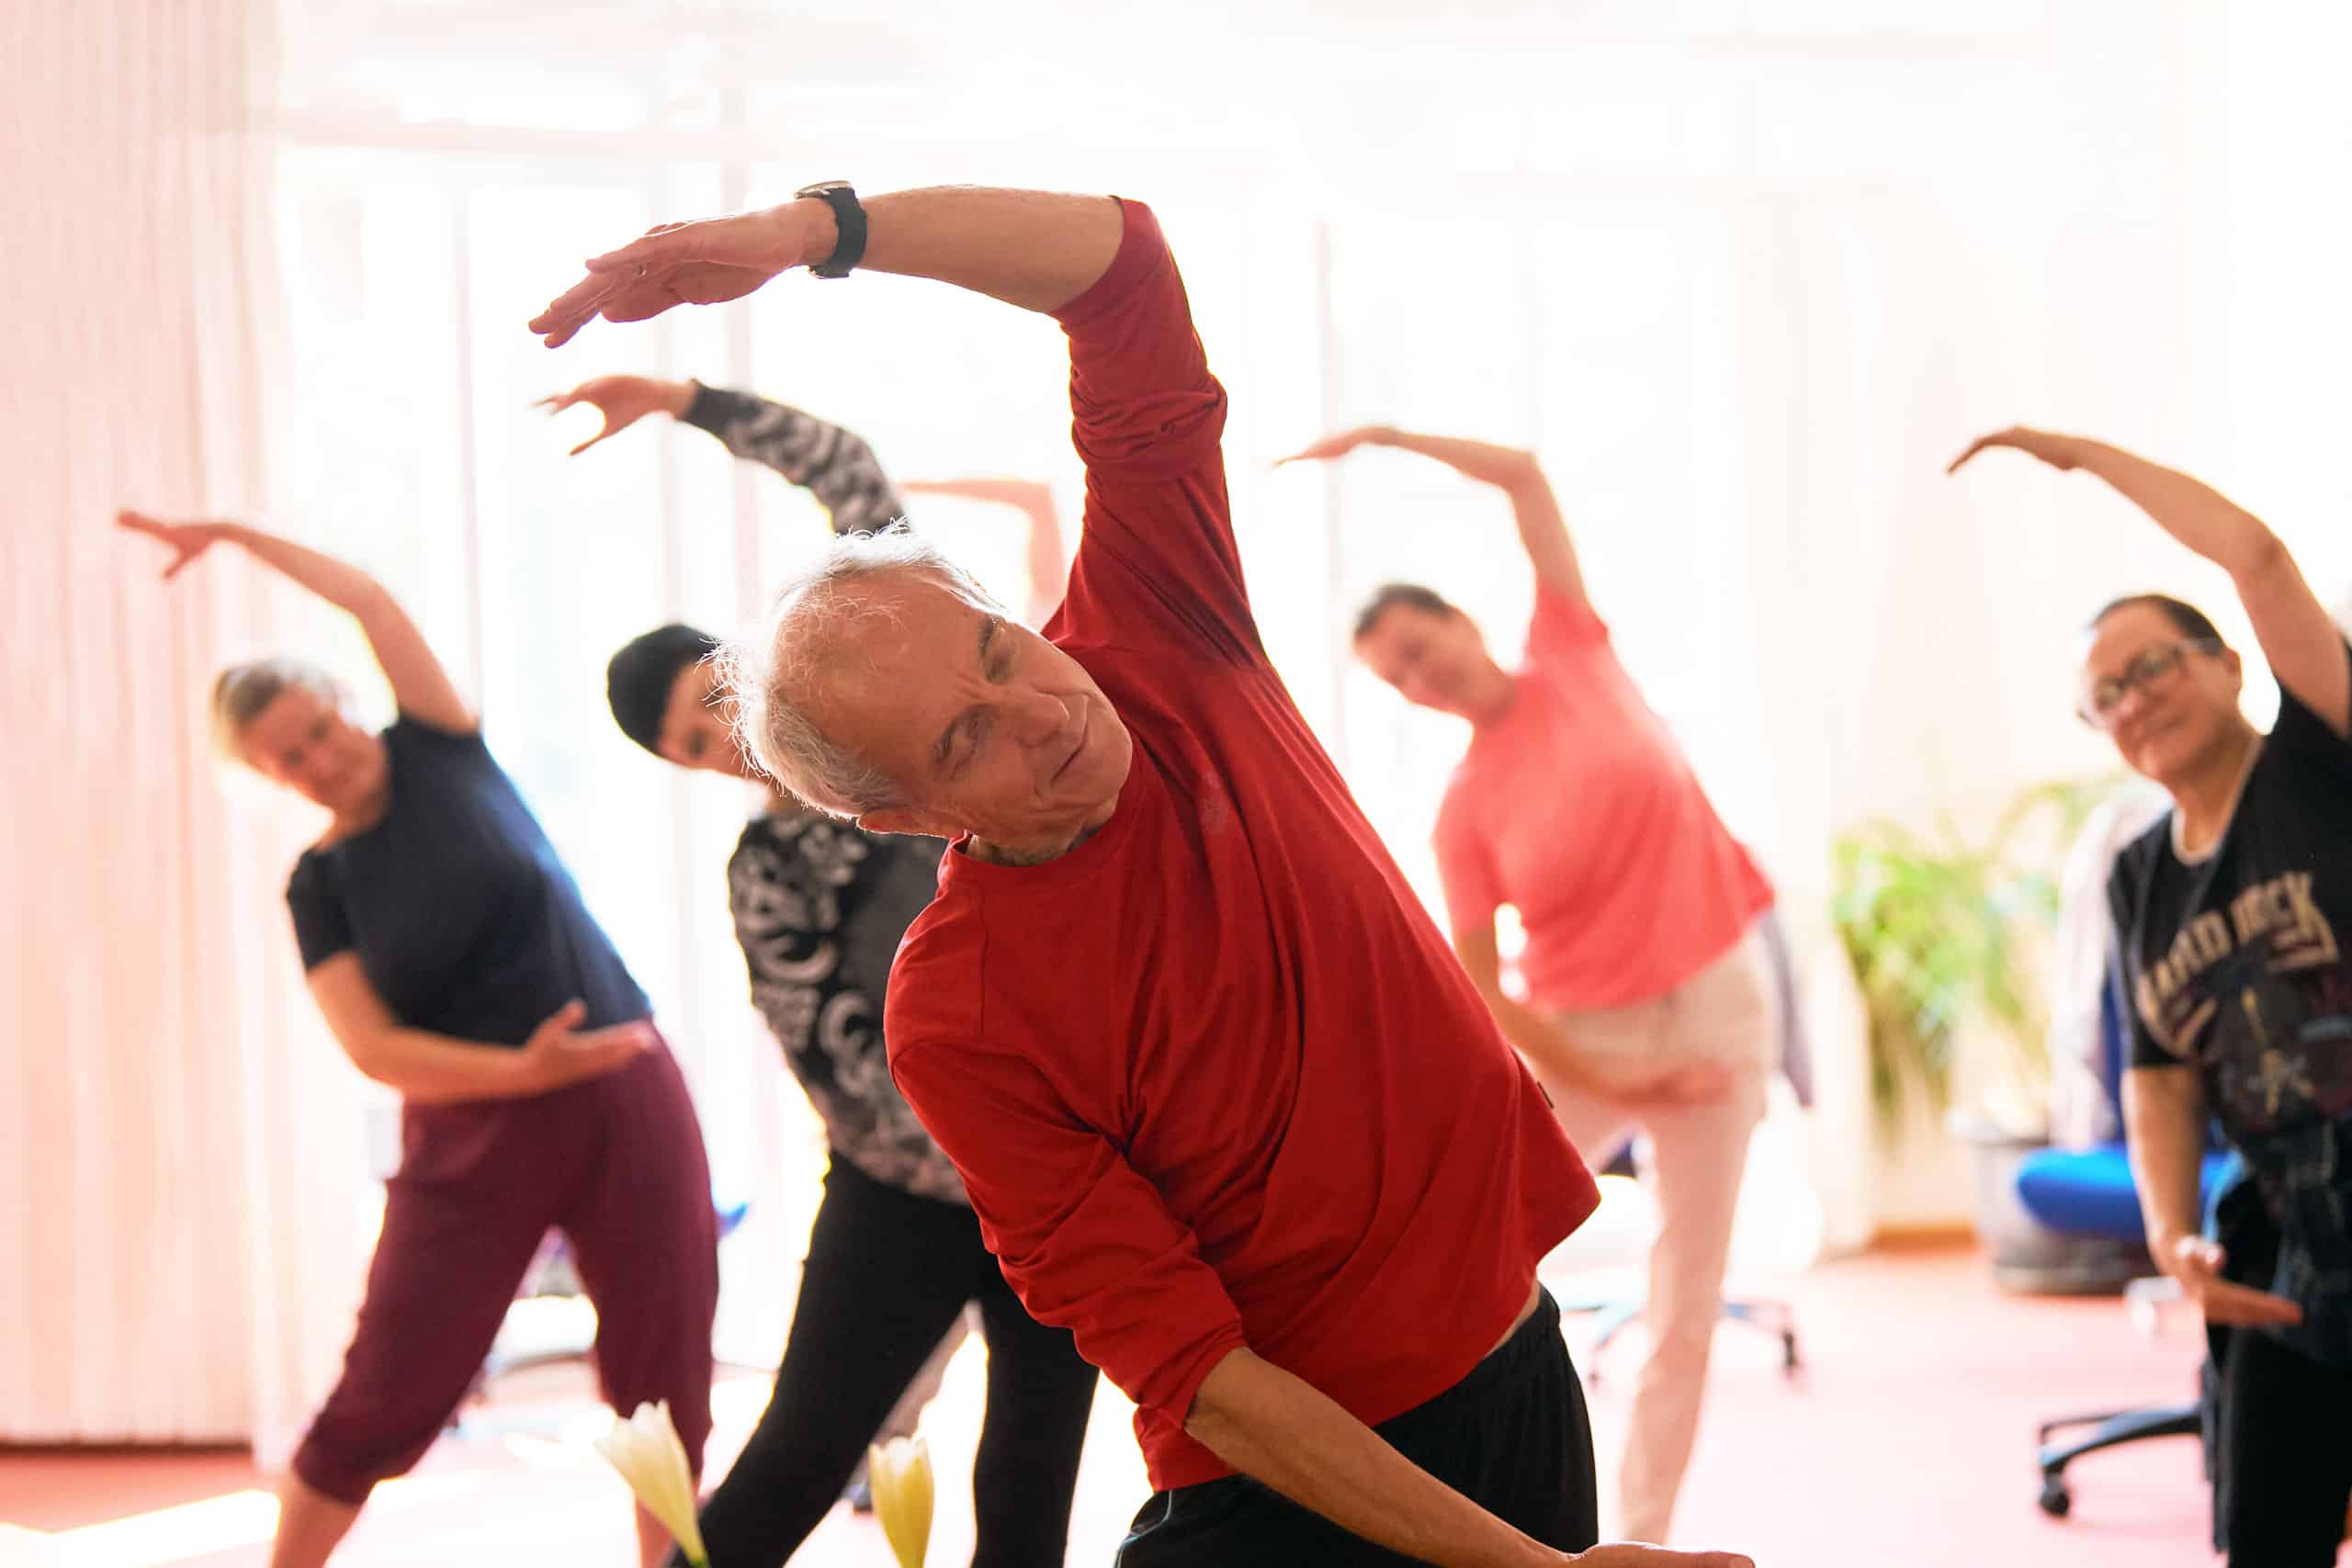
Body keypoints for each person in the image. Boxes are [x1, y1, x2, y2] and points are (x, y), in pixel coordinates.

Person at [532, 183, 1747, 1568]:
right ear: (908, 812)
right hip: (1295, 1481)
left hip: (1516, 1370)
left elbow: (1121, 270)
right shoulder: (963, 1015)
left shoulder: (1160, 623)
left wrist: (819, 233)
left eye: (1000, 653)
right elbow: (1203, 1373)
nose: (1044, 711)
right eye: (964, 737)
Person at [545, 372, 1098, 1567]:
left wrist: (689, 398)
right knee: (796, 1459)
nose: (726, 744)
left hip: (1061, 1172)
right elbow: (839, 1057)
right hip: (906, 1195)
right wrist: (980, 1158)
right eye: (698, 746)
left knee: (1031, 1483)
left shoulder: (903, 723)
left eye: (719, 705)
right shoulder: (771, 866)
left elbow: (850, 473)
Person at [112, 511, 718, 1568]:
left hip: (625, 1084)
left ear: (345, 703)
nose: (318, 757)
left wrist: (233, 537)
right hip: (476, 1131)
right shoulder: (321, 885)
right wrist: (520, 1072)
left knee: (663, 1375)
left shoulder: (442, 749)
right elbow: (375, 1047)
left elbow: (370, 602)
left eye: (318, 726)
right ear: (269, 777)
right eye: (287, 757)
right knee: (387, 1385)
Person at [1280, 427, 1779, 1545]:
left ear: (1461, 620)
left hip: (1714, 1009)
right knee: (1446, 1252)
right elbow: (1477, 987)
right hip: (1580, 1045)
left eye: (1421, 643)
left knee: (1683, 1304)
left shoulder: (1575, 652)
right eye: (1395, 674)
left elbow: (1522, 474)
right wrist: (1609, 1070)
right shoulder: (1464, 809)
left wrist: (1380, 440)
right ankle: (1414, 1496)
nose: (1422, 674)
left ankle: (1635, 1540)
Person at [1950, 426, 2352, 1567]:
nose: (2131, 702)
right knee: (2266, 1535)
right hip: (2278, 1239)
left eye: (2151, 667)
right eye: (2103, 698)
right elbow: (2160, 1077)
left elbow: (2259, 560)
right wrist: (2173, 1231)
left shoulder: (2319, 759)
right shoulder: (2135, 874)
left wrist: (2083, 460)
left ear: (2225, 662)